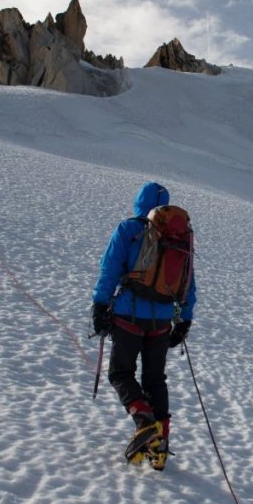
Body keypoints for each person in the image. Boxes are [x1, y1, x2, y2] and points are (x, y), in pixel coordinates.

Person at [91, 181, 196, 469]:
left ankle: (144, 422)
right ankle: (159, 449)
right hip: (161, 320)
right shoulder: (180, 237)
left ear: (139, 201)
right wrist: (184, 319)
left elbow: (109, 269)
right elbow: (189, 280)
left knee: (120, 373)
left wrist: (99, 305)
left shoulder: (129, 229)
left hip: (128, 316)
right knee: (154, 379)